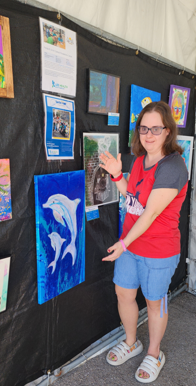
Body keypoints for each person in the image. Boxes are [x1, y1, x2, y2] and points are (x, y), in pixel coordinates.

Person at [99, 101, 188, 383]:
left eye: (156, 128)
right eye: (144, 128)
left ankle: (153, 352)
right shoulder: (139, 161)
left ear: (168, 131)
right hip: (131, 246)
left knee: (153, 302)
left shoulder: (174, 165)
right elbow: (134, 201)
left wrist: (123, 244)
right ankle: (130, 342)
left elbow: (150, 213)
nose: (149, 134)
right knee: (123, 293)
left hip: (158, 250)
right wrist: (116, 174)